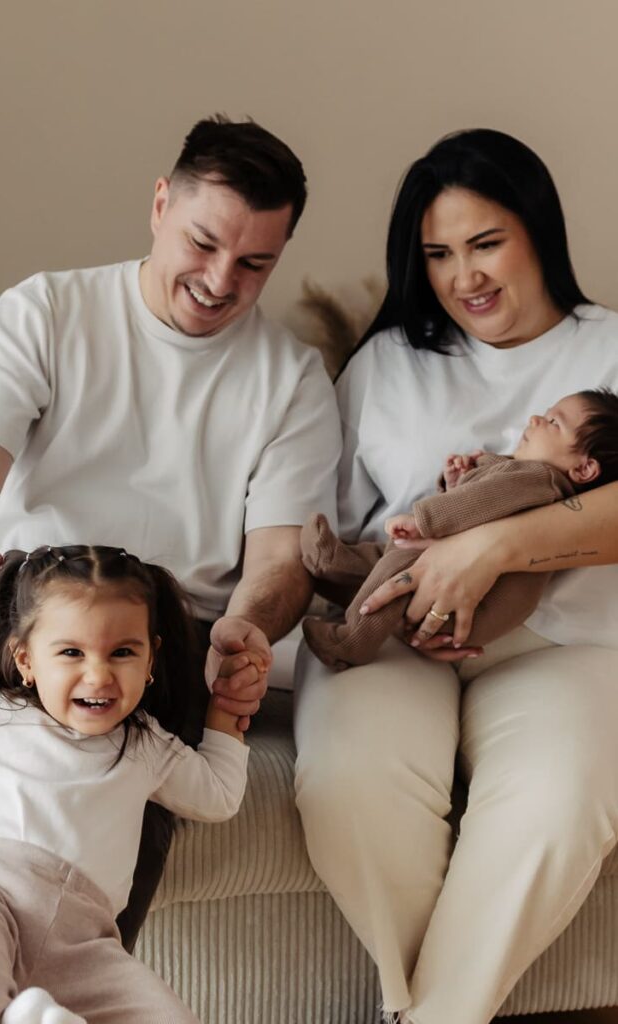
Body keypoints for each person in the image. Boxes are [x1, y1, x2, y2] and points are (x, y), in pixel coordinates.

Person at [0, 114, 341, 948]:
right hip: (23, 597)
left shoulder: (292, 381)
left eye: (254, 263)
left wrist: (248, 628)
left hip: (166, 622)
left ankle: (88, 971)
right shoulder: (48, 308)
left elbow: (277, 561)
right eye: (202, 244)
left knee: (120, 785)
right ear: (160, 205)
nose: (220, 280)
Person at [292, 129, 618, 1024]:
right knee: (348, 789)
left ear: (537, 233)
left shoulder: (609, 350)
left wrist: (495, 548)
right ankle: (424, 1009)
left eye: (484, 244)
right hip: (390, 628)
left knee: (557, 804)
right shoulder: (386, 363)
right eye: (437, 254)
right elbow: (329, 517)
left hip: (565, 643)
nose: (462, 276)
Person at [0, 542, 255, 1024]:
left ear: (150, 661)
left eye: (123, 652)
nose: (98, 674)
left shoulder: (148, 746)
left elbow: (219, 796)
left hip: (85, 938)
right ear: (25, 660)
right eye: (70, 652)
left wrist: (226, 710)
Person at [301, 388, 618, 669]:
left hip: (475, 603)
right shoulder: (534, 483)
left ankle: (349, 643)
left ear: (585, 468)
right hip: (473, 601)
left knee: (402, 563)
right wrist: (456, 483)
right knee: (392, 559)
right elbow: (479, 503)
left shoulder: (540, 479)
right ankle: (335, 564)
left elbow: (483, 499)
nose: (535, 418)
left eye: (553, 422)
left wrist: (423, 520)